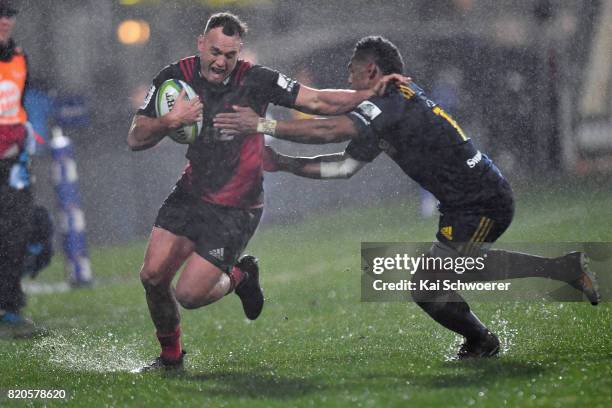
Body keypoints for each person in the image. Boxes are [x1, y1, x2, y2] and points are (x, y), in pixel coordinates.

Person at [213, 36, 600, 359]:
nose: (347, 75)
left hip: (482, 201)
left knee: (430, 285)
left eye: (352, 68)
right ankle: (546, 285)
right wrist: (283, 163)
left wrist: (262, 125)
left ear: (371, 71)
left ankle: (485, 339)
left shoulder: (388, 104)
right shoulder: (387, 102)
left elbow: (330, 130)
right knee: (437, 282)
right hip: (466, 203)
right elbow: (344, 166)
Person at [127, 14, 406, 371]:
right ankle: (170, 359)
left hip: (236, 207)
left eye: (229, 55)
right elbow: (136, 137)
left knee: (189, 295)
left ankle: (240, 276)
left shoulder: (256, 80)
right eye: (215, 51)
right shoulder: (174, 77)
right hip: (191, 191)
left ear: (238, 53)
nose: (220, 61)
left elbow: (317, 101)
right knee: (151, 277)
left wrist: (369, 93)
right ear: (200, 44)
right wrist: (170, 121)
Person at [0, 0, 39, 338]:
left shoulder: (19, 57)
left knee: (17, 231)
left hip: (12, 161)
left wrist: (25, 139)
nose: (4, 21)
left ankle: (10, 304)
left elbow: (18, 107)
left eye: (9, 15)